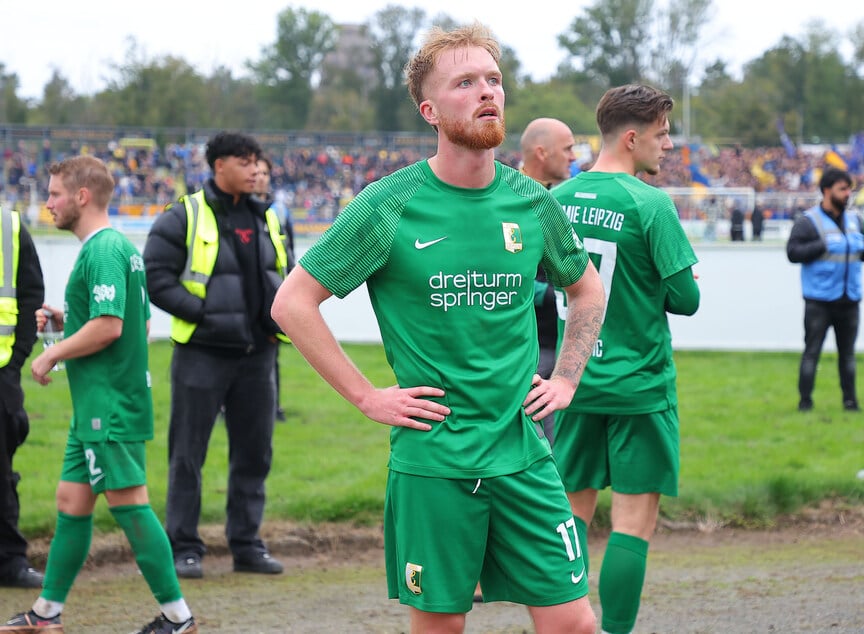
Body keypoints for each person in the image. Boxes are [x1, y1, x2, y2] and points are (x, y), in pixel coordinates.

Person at [271, 23, 605, 634]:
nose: (487, 93)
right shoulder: (388, 206)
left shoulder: (532, 203)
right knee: (441, 627)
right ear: (429, 110)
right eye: (466, 82)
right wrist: (367, 396)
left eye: (494, 80)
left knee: (574, 624)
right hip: (435, 459)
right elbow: (292, 304)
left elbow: (586, 289)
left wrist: (566, 379)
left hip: (524, 454)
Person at [0, 156, 197, 634]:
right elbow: (136, 321)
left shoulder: (104, 249)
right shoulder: (110, 248)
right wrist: (67, 320)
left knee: (130, 505)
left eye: (54, 195)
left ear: (81, 196)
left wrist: (51, 355)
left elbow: (110, 327)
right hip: (93, 406)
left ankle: (178, 617)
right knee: (71, 500)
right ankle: (46, 613)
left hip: (109, 406)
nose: (47, 204)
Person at [550, 84, 700, 634]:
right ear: (632, 138)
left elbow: (543, 288)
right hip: (640, 383)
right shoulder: (650, 203)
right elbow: (687, 300)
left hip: (575, 381)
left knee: (570, 518)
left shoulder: (558, 200)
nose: (668, 145)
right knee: (633, 524)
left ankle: (564, 624)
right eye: (662, 135)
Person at [143, 132, 289, 580]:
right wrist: (204, 317)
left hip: (257, 356)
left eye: (256, 162)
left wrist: (275, 325)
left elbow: (287, 277)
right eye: (243, 162)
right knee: (188, 454)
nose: (253, 169)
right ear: (218, 166)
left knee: (254, 454)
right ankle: (184, 547)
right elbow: (156, 277)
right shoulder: (182, 215)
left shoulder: (267, 217)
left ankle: (246, 545)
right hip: (202, 354)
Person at [786, 168, 864, 412]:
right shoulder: (808, 221)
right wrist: (821, 245)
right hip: (818, 302)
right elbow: (792, 253)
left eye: (849, 189)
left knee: (848, 355)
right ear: (826, 191)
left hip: (849, 299)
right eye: (842, 189)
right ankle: (805, 403)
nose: (847, 195)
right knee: (812, 353)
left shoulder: (856, 221)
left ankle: (850, 402)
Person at [519, 117, 576, 446]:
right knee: (542, 446)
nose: (573, 156)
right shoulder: (510, 198)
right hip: (534, 348)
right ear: (541, 152)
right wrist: (554, 294)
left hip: (565, 345)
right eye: (567, 149)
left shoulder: (560, 198)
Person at [0, 205, 44, 589]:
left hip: (0, 374)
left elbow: (31, 296)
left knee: (1, 474)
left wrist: (15, 361)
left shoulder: (10, 227)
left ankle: (9, 561)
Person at [252, 156, 295, 423]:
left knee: (271, 356)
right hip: (246, 300)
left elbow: (287, 251)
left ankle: (273, 406)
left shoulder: (278, 212)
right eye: (256, 173)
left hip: (272, 298)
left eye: (265, 173)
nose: (260, 178)